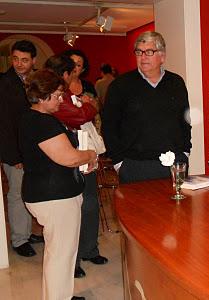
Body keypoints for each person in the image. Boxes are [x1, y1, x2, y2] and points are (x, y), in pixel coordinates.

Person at [20, 68, 97, 300]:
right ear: (42, 97)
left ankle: (62, 295)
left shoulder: (31, 118)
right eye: (56, 95)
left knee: (61, 253)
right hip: (54, 197)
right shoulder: (42, 123)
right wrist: (90, 154)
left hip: (47, 193)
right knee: (60, 255)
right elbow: (68, 157)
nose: (60, 99)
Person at [46, 53, 108, 279]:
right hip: (66, 158)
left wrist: (88, 107)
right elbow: (79, 116)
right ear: (64, 73)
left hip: (83, 155)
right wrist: (89, 105)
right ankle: (74, 261)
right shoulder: (52, 96)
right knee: (72, 212)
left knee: (90, 203)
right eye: (72, 71)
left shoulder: (66, 92)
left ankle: (89, 249)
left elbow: (84, 113)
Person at [102, 31, 192, 183]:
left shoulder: (176, 82)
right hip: (134, 165)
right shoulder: (120, 85)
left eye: (149, 52)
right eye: (139, 52)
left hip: (173, 162)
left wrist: (185, 152)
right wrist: (119, 163)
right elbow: (109, 126)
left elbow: (185, 119)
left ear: (162, 56)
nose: (143, 57)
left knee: (176, 207)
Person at [0, 40, 44, 257]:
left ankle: (29, 232)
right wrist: (13, 155)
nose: (18, 64)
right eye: (15, 59)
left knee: (33, 191)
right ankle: (19, 239)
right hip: (14, 151)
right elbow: (4, 124)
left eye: (24, 60)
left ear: (33, 61)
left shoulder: (38, 80)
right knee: (17, 194)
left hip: (38, 149)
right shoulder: (3, 82)